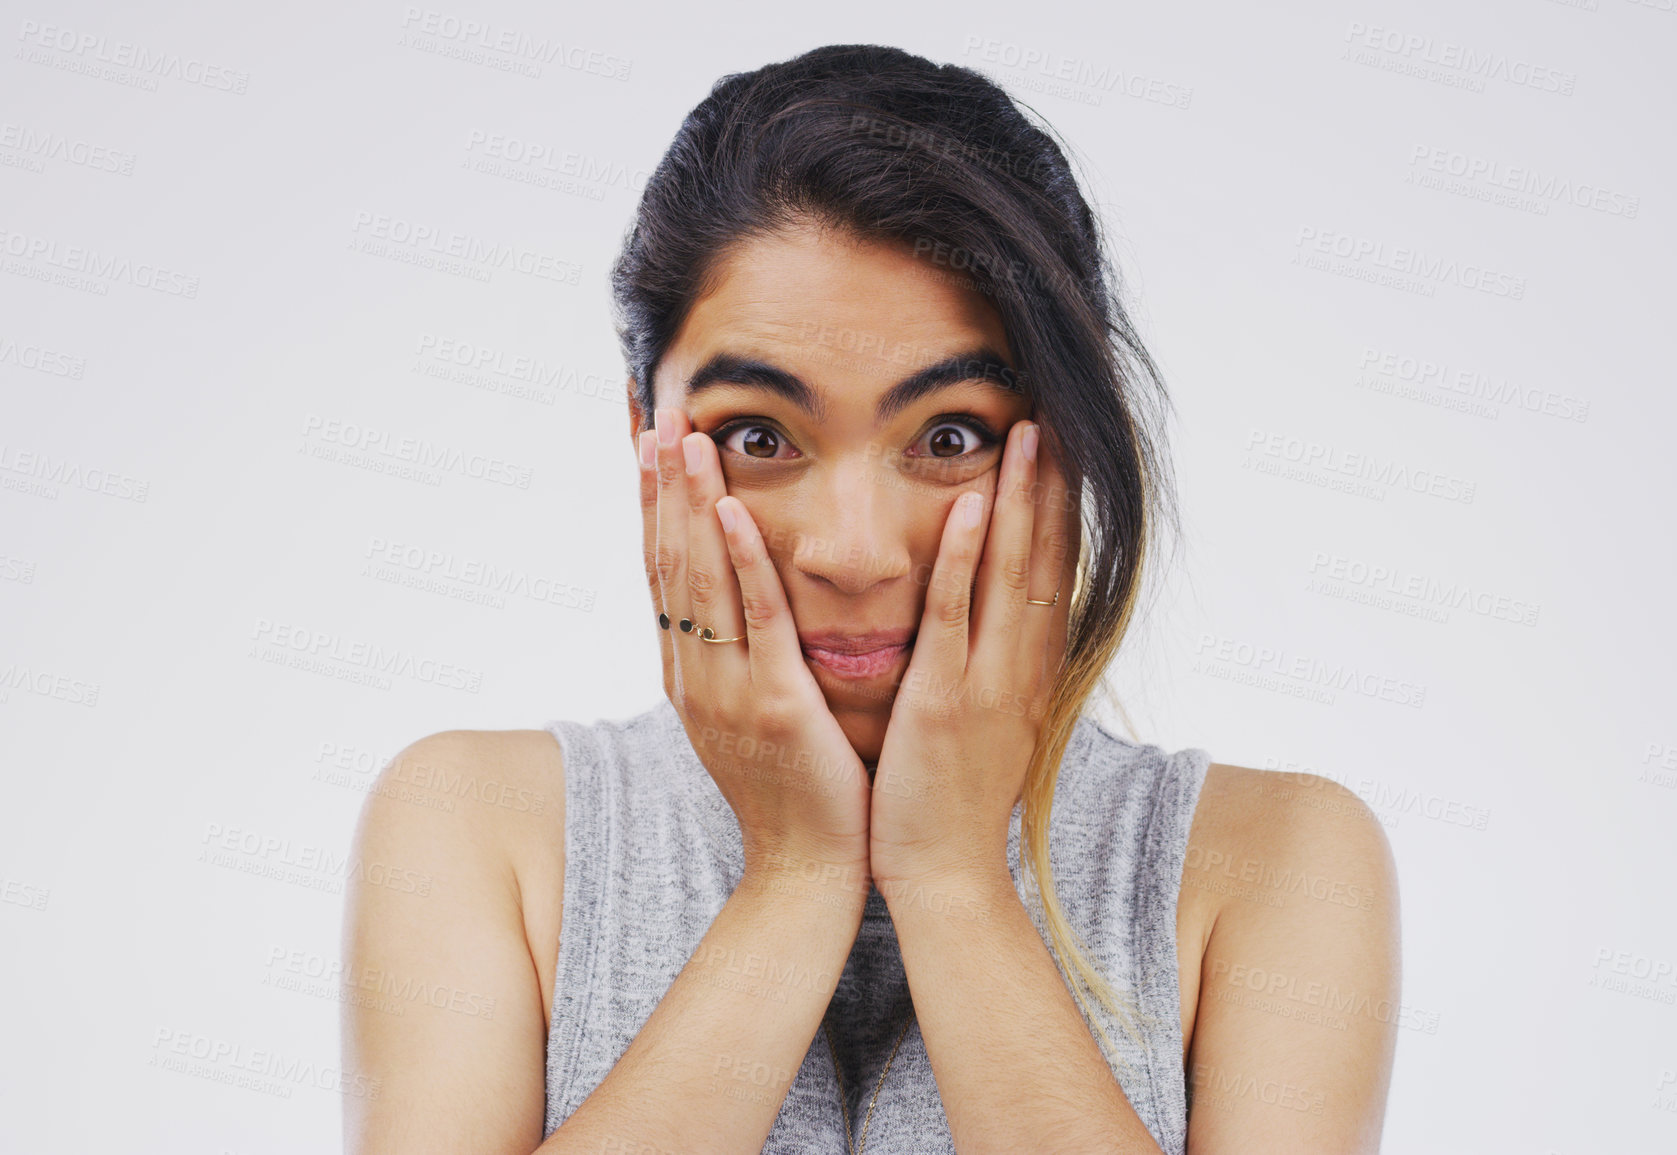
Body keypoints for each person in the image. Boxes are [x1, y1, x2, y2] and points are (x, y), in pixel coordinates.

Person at [341, 44, 1399, 1154]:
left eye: (951, 437)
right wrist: (795, 880)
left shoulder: (1275, 865)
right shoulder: (482, 828)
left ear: (1072, 448)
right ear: (641, 438)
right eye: (759, 436)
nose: (855, 554)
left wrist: (951, 881)